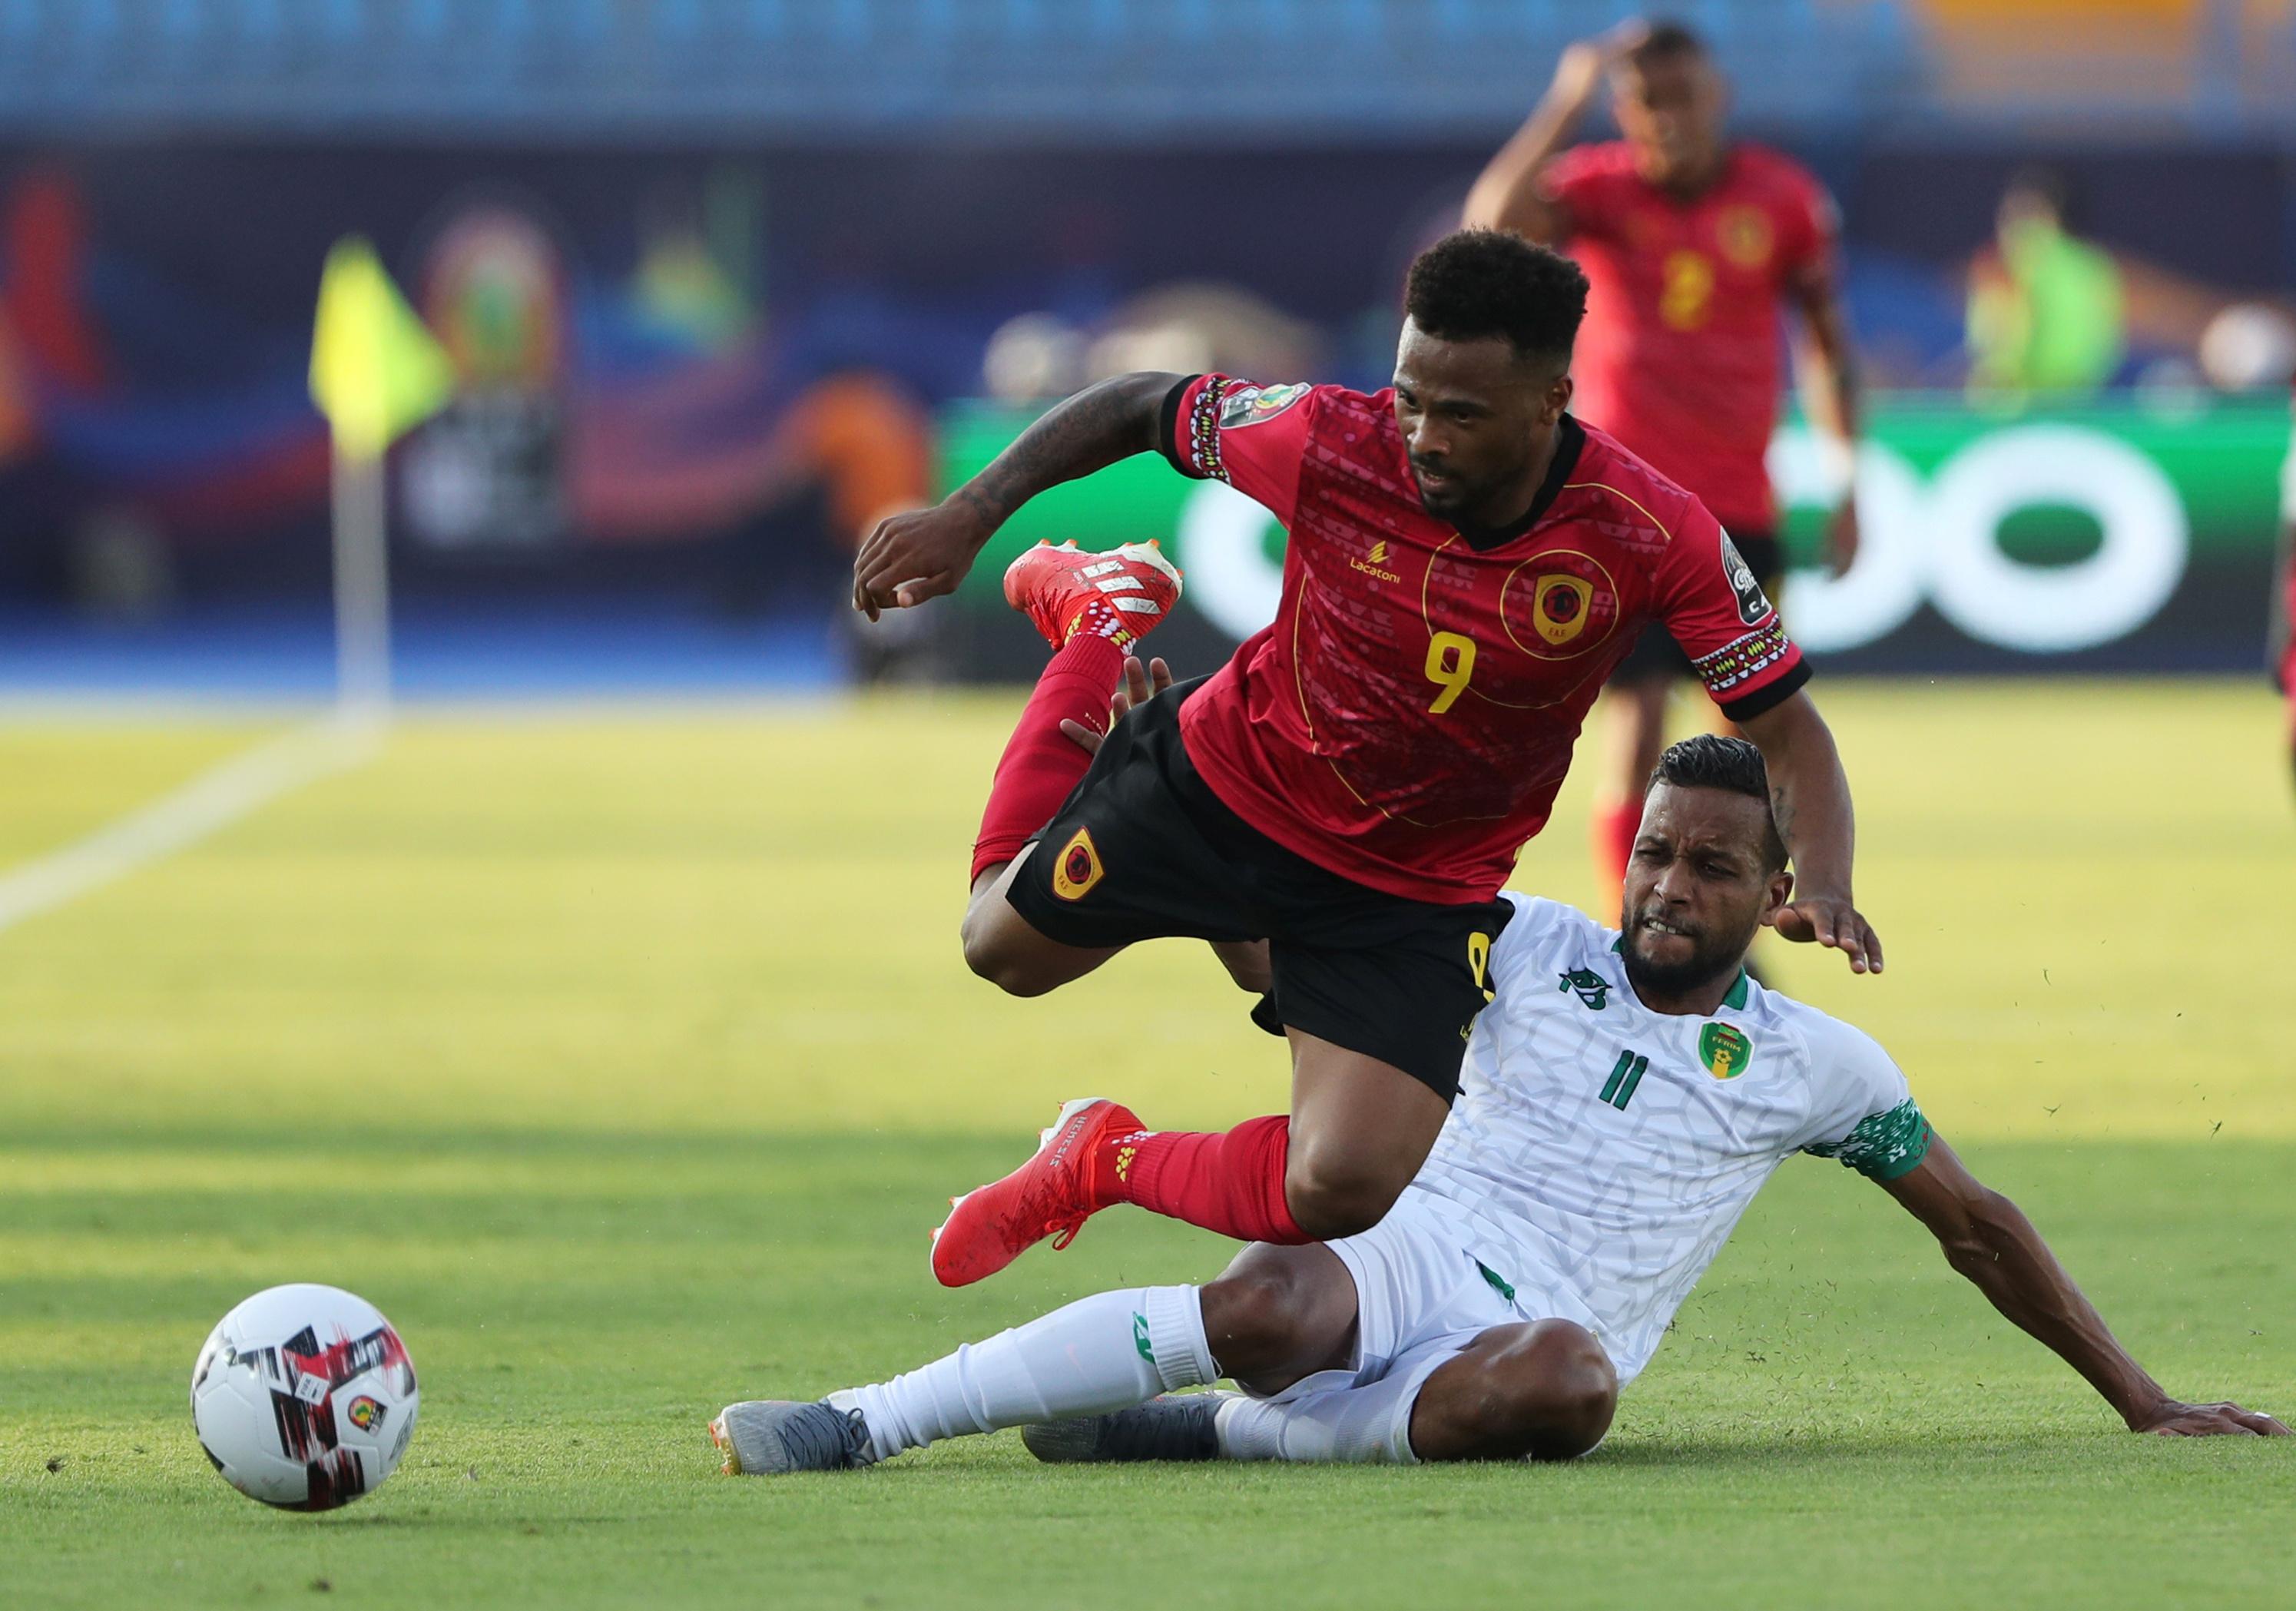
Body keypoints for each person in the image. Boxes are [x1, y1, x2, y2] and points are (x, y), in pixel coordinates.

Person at [711, 734, 2284, 1473]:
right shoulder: (1518, 940)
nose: (1666, 885)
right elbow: (1307, 976)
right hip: (1417, 1244)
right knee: (1260, 1300)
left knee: (1567, 1389)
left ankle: (1216, 1435)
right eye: (1654, 851)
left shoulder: (1817, 1068)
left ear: (1773, 892)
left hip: (1541, 1334)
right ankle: (859, 1421)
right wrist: (1188, 857)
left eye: (1711, 865)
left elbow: (1977, 1226)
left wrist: (2138, 1397)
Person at [853, 228, 1878, 1291]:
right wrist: (968, 516)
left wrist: (1827, 878)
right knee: (998, 950)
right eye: (1409, 398)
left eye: (1461, 414)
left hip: (1415, 886)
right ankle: (1093, 625)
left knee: (1341, 1183)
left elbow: (1787, 728)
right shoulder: (1327, 437)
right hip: (1225, 781)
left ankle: (1101, 1159)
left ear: (1550, 402)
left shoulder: (1649, 532)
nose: (1424, 436)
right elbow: (1140, 404)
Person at [1460, 19, 1863, 922]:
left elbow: (1828, 349)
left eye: (1682, 98)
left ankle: (1730, 922)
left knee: (1745, 737)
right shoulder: (1600, 188)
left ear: (1719, 97)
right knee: (1636, 720)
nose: (1668, 119)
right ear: (1623, 110)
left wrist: (1847, 479)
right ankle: (1636, 923)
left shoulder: (1782, 200)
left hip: (1738, 508)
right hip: (1619, 510)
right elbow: (1488, 227)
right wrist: (1566, 98)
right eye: (1647, 102)